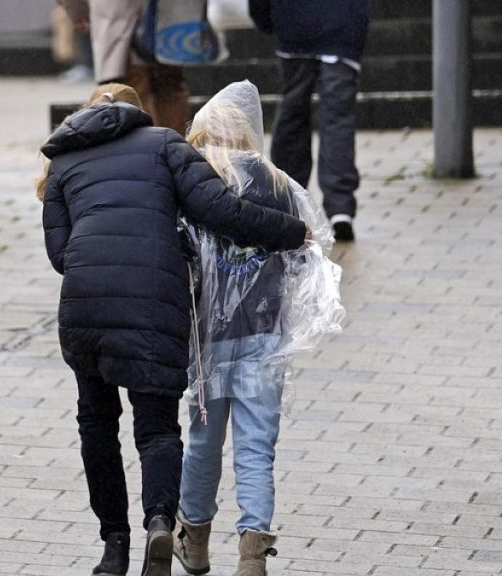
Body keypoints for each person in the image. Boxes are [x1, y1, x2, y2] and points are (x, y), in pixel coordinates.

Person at [37, 83, 310, 576]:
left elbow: (60, 256)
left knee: (96, 424)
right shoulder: (164, 143)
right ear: (134, 114)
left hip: (86, 305)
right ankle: (161, 524)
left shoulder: (62, 163)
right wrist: (293, 231)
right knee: (157, 427)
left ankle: (113, 548)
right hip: (153, 302)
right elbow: (222, 213)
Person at [174, 81, 344, 576]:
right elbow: (301, 260)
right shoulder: (279, 185)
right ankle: (252, 554)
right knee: (255, 448)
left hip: (209, 343)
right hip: (264, 338)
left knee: (203, 443)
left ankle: (196, 540)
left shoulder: (197, 181)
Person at [249, 0, 369, 242]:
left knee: (293, 111)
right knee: (338, 117)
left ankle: (286, 198)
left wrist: (264, 18)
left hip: (294, 21)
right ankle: (341, 208)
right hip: (344, 23)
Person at [59, 0, 191, 134]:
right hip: (168, 22)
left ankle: (142, 150)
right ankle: (175, 149)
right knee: (169, 87)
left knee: (129, 92)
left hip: (119, 23)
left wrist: (79, 14)